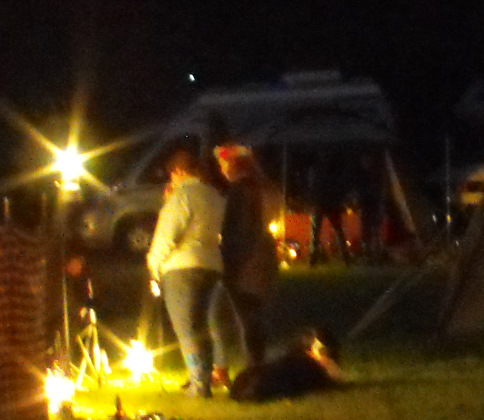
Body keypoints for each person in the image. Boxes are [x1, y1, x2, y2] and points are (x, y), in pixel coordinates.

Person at [145, 145, 226, 397]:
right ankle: (205, 380)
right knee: (202, 327)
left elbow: (167, 236)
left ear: (178, 171)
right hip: (211, 265)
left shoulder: (182, 197)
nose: (171, 180)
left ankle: (198, 383)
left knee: (186, 329)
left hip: (182, 267)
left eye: (172, 175)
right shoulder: (214, 196)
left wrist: (153, 266)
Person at [212, 143, 282, 376]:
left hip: (246, 259)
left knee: (246, 316)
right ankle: (258, 364)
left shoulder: (240, 191)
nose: (222, 170)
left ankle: (255, 368)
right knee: (255, 315)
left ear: (234, 165)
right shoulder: (263, 187)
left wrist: (230, 261)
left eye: (223, 164)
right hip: (264, 255)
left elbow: (238, 230)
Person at [228, 326, 346, 403]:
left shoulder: (314, 366)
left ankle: (252, 391)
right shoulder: (302, 362)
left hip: (267, 378)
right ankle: (252, 392)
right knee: (271, 377)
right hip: (267, 377)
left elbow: (335, 380)